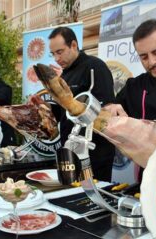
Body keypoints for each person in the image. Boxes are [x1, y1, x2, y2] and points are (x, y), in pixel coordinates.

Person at [48, 26, 116, 182]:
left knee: (94, 200)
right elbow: (62, 114)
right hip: (70, 150)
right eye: (53, 54)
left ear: (73, 45)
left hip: (95, 152)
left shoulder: (95, 67)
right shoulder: (65, 74)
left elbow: (106, 111)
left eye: (60, 52)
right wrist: (46, 108)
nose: (56, 59)